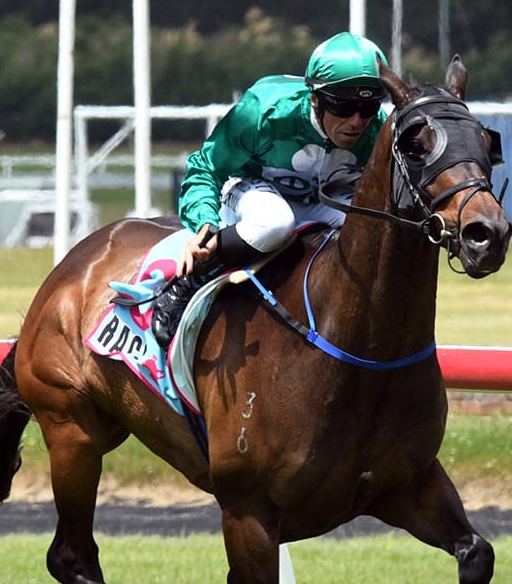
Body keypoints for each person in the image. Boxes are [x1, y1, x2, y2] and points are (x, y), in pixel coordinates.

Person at [151, 31, 390, 347]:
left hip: (321, 198)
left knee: (376, 226)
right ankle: (190, 280)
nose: (358, 121)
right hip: (253, 191)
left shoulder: (378, 131)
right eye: (344, 107)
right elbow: (205, 168)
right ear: (315, 99)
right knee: (277, 221)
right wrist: (205, 225)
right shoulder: (263, 112)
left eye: (369, 106)